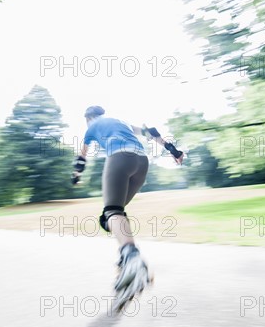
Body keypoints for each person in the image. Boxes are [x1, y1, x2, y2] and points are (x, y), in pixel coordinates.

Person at [72, 106, 184, 312]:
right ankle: (125, 260)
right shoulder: (120, 120)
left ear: (88, 117)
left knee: (111, 212)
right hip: (142, 163)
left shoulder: (91, 127)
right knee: (114, 215)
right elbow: (150, 131)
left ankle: (132, 259)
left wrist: (76, 176)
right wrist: (173, 151)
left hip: (120, 158)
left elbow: (82, 158)